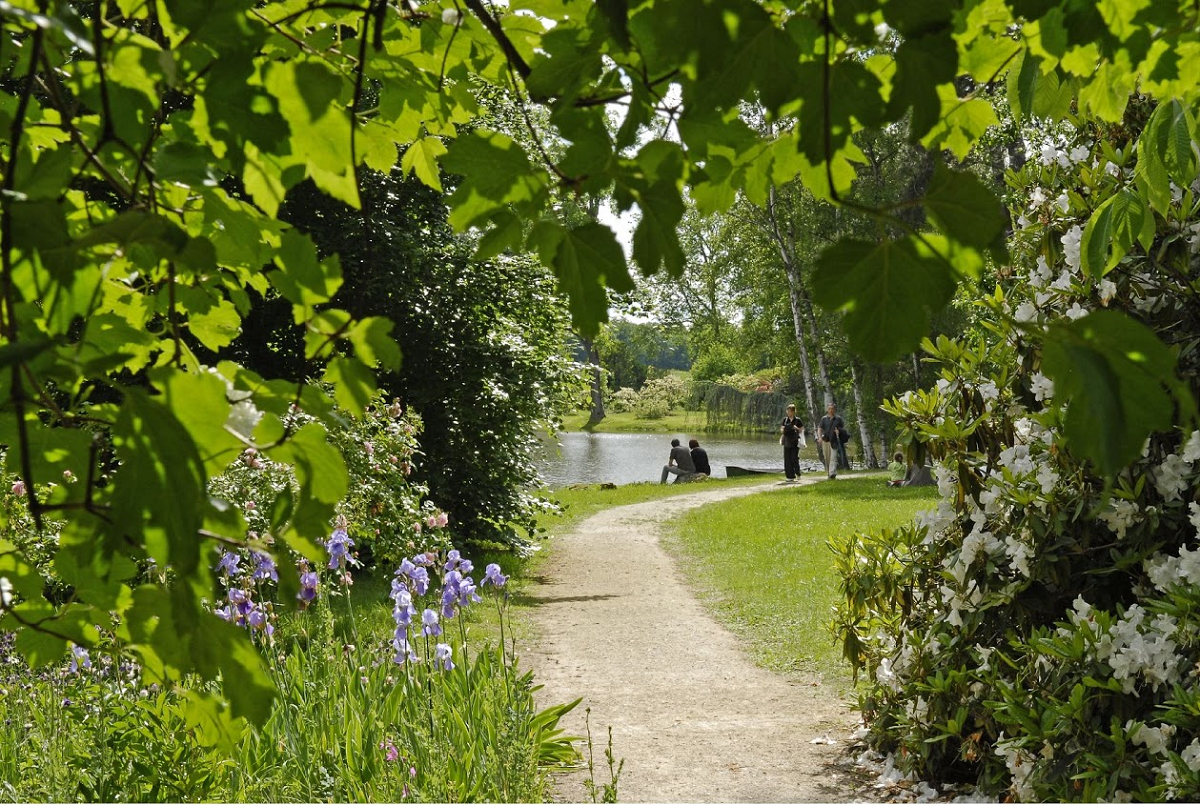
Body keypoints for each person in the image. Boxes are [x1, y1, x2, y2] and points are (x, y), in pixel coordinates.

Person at [817, 402, 846, 479]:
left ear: (835, 409)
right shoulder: (824, 419)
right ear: (827, 409)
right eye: (829, 409)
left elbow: (843, 429)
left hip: (834, 441)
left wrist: (839, 431)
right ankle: (829, 473)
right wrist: (819, 438)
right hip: (826, 441)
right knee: (827, 458)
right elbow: (820, 429)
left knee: (833, 458)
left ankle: (832, 473)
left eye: (832, 409)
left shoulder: (838, 419)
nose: (831, 410)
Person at [779, 403, 805, 482]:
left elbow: (802, 430)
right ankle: (790, 476)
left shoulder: (798, 420)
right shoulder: (785, 420)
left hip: (795, 442)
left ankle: (797, 473)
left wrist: (795, 428)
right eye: (787, 411)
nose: (788, 412)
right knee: (787, 459)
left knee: (794, 458)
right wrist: (784, 428)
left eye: (790, 411)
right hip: (787, 441)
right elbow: (781, 430)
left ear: (793, 411)